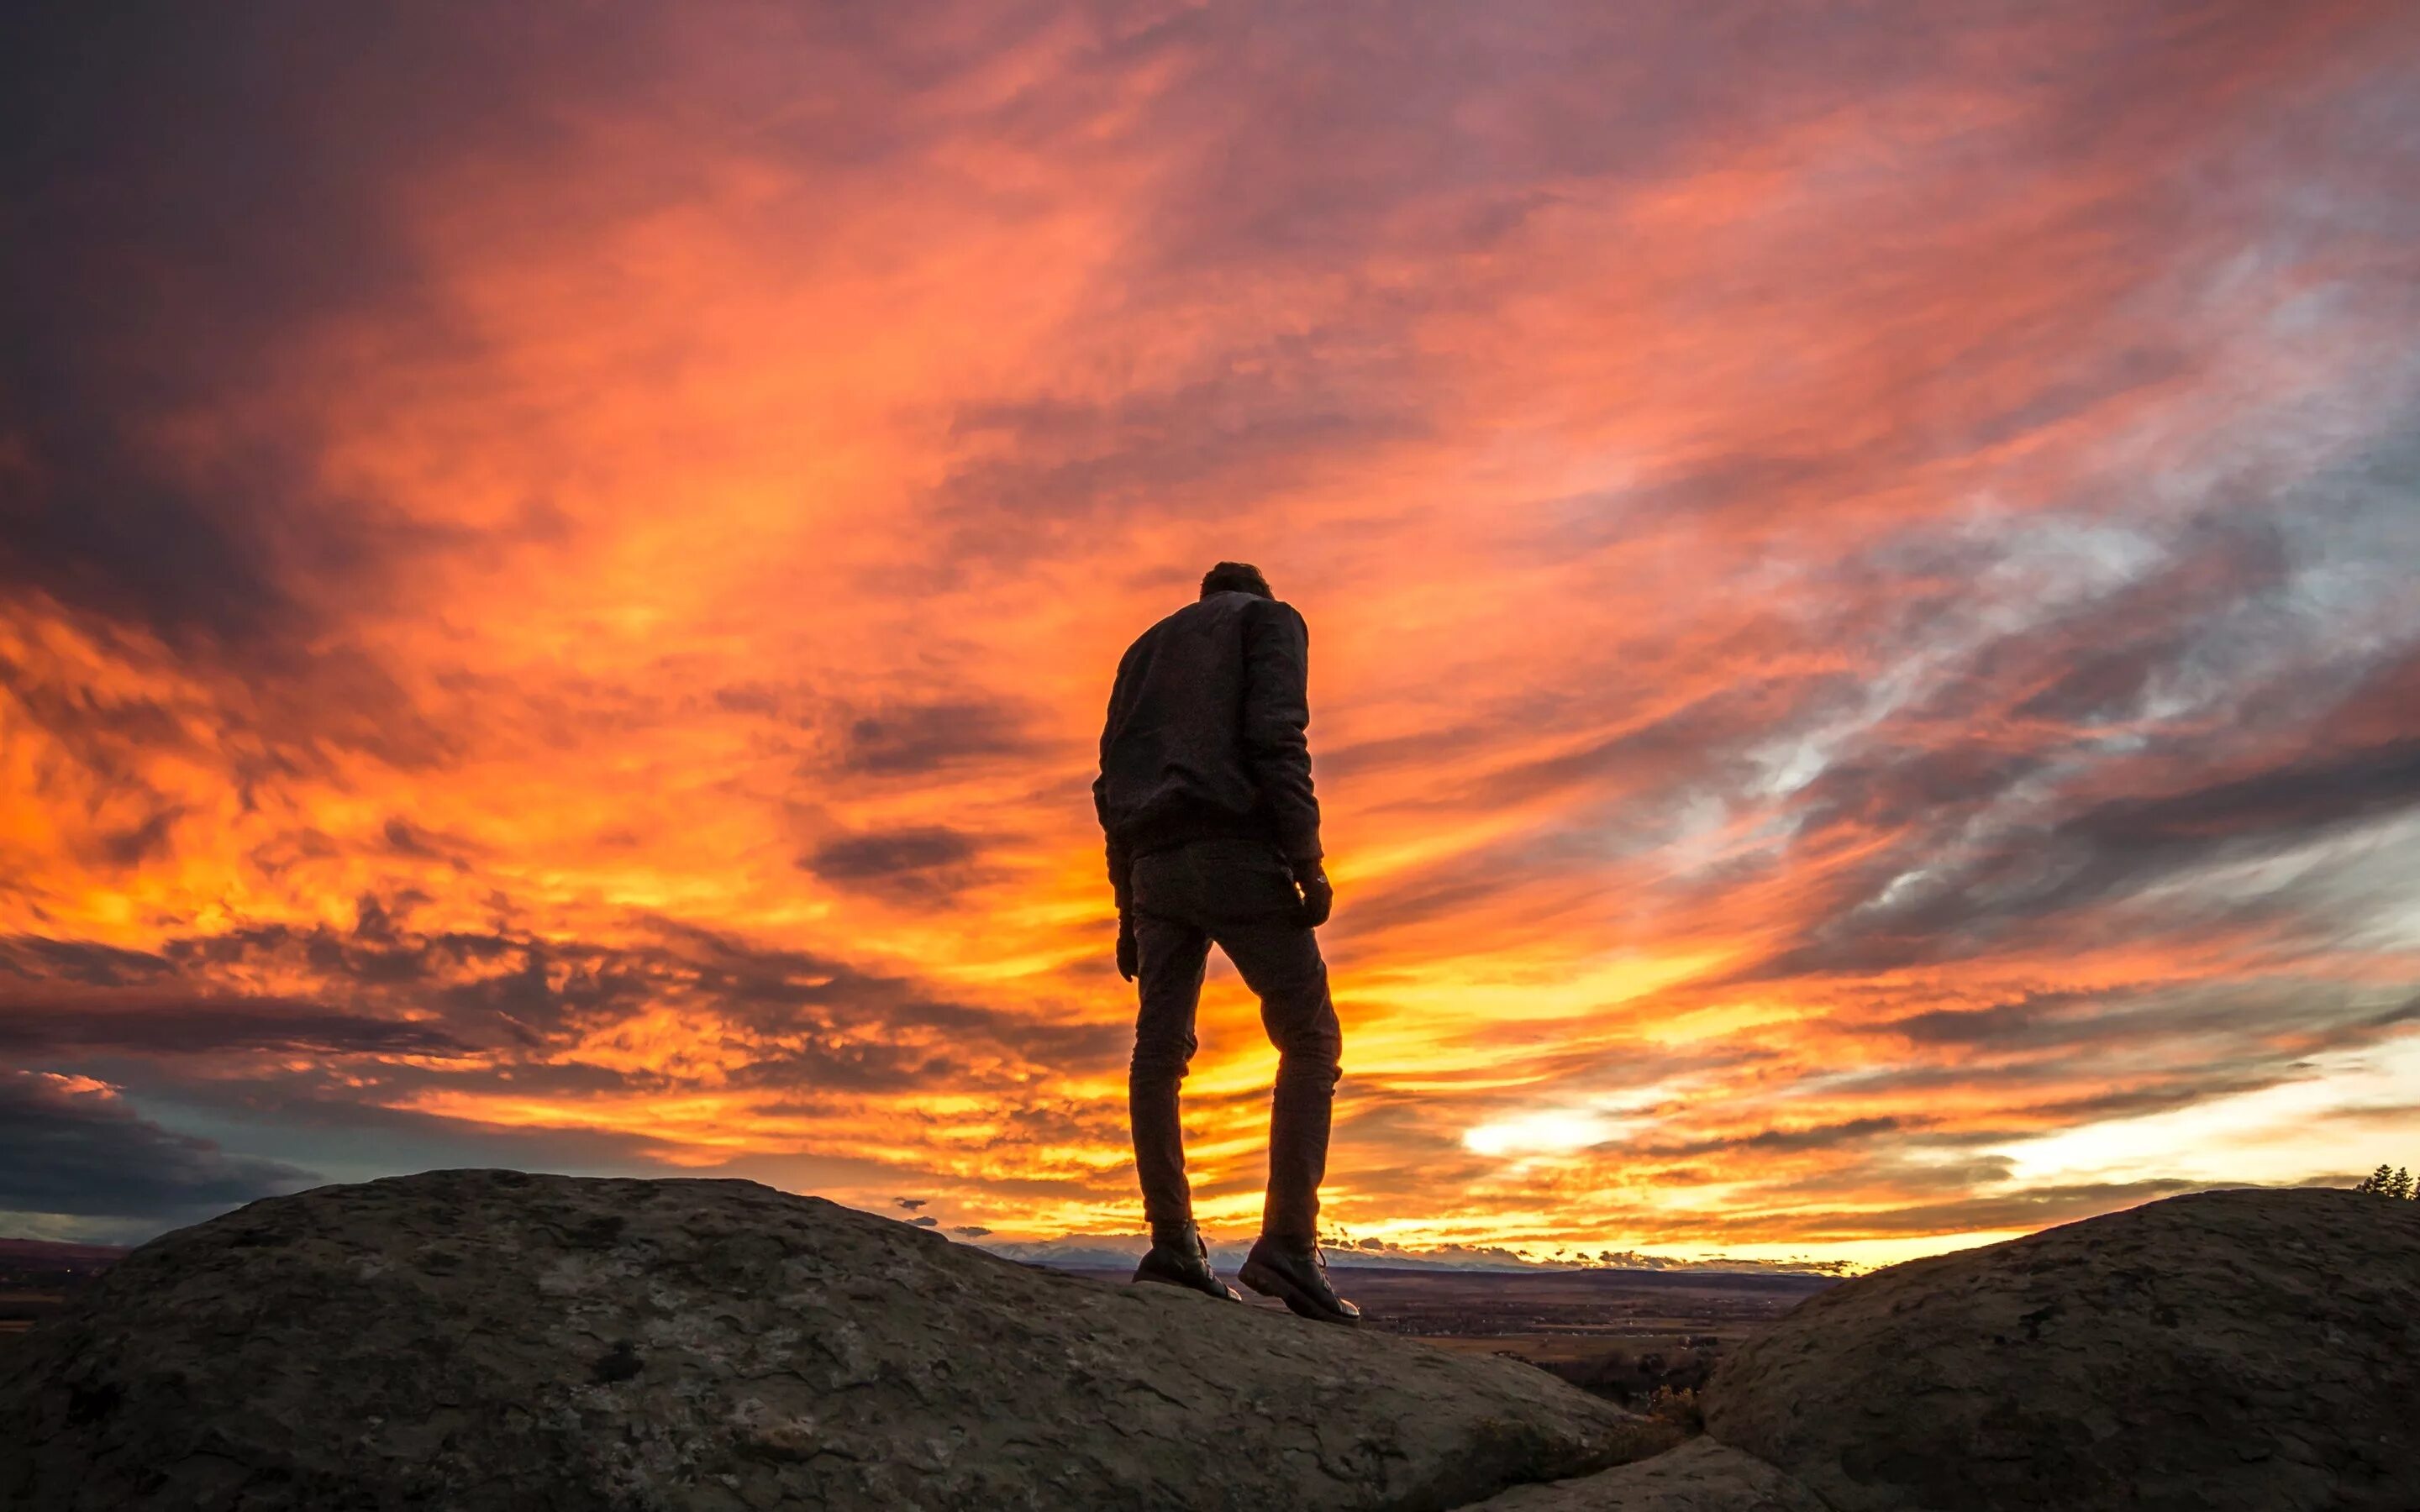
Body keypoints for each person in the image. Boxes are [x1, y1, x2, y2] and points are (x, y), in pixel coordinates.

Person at [1092, 561, 1359, 1325]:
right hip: (1235, 848)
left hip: (1151, 867)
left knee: (1158, 1049)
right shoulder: (1268, 620)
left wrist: (1123, 907)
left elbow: (1108, 783)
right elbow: (1279, 737)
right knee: (1310, 1037)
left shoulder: (1142, 650)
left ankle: (1174, 1241)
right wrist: (1305, 860)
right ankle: (1289, 1244)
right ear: (1256, 591)